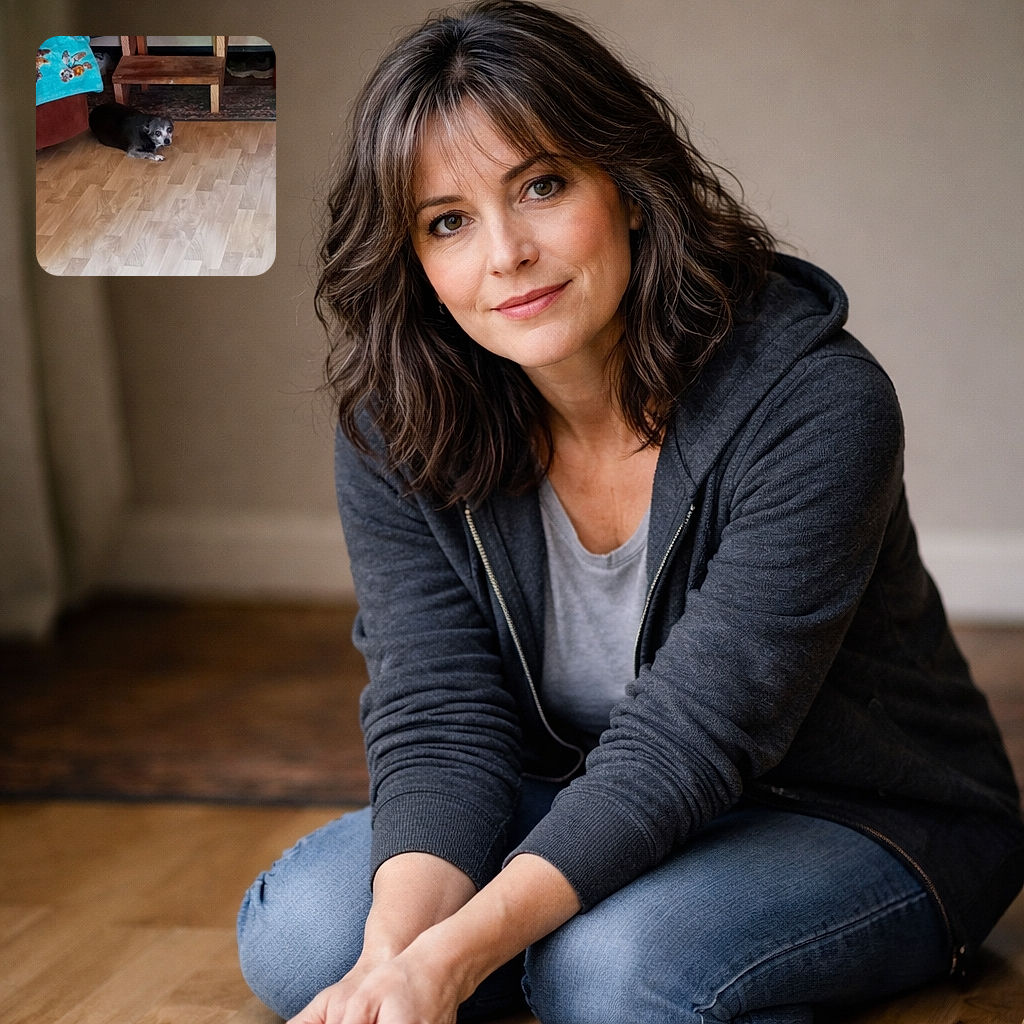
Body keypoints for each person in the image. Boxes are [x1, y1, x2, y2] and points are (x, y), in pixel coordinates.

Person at [236, 3, 1024, 1022]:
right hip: (579, 792)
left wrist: (455, 957)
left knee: (606, 974)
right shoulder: (399, 426)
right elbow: (439, 718)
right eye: (448, 221)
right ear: (416, 263)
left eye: (543, 186)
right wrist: (394, 960)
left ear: (631, 187)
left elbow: (695, 735)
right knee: (309, 933)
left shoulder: (816, 403)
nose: (506, 253)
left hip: (850, 814)